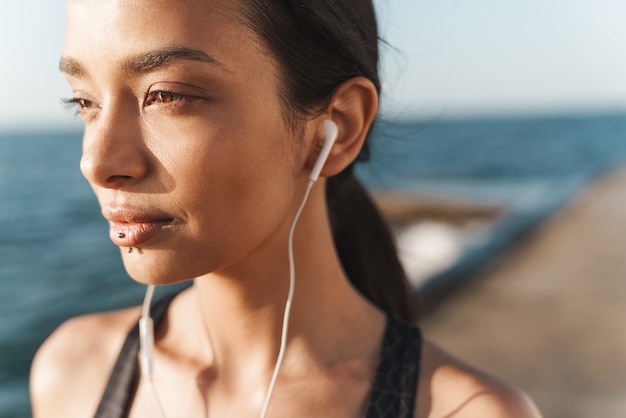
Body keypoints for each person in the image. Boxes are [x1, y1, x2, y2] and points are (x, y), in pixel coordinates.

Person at [30, 1, 542, 417]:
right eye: (84, 101)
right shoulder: (74, 372)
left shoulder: (464, 411)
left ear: (335, 127)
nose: (96, 162)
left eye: (166, 94)